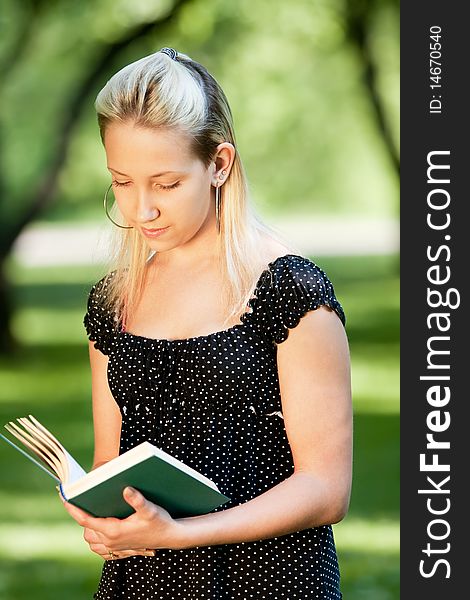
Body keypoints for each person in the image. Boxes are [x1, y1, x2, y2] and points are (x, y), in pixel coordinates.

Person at [62, 46, 353, 599]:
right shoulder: (114, 302)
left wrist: (182, 535)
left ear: (219, 164)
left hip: (270, 580)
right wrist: (104, 521)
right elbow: (110, 465)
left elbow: (326, 488)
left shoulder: (287, 290)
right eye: (121, 181)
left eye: (166, 184)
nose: (139, 209)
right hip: (143, 583)